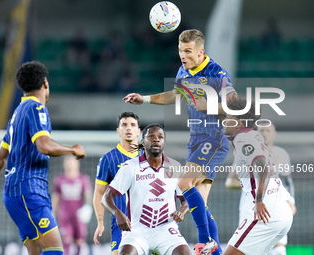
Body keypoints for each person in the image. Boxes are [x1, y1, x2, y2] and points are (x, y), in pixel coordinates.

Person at [123, 29, 237, 255]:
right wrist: (144, 99)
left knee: (183, 183)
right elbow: (175, 95)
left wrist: (210, 105)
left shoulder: (218, 74)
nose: (182, 55)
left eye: (188, 51)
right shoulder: (183, 71)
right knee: (200, 205)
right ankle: (214, 251)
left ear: (201, 51)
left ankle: (206, 242)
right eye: (180, 50)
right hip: (197, 140)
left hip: (213, 138)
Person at [0, 61, 86, 255]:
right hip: (29, 192)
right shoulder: (36, 109)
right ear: (45, 84)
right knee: (55, 251)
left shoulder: (16, 116)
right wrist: (72, 150)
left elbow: (0, 159)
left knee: (37, 252)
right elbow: (44, 146)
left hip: (14, 195)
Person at [101, 124, 192, 255]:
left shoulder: (174, 167)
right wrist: (118, 214)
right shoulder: (130, 167)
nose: (156, 140)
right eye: (151, 136)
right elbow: (106, 198)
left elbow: (188, 200)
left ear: (164, 142)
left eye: (160, 137)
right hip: (137, 230)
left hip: (166, 229)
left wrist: (182, 212)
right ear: (143, 142)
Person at [223, 97, 293, 255]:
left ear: (238, 122)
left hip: (266, 215)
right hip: (280, 212)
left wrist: (260, 200)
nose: (225, 121)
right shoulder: (253, 137)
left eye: (228, 117)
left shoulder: (243, 139)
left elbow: (264, 167)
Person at [93, 112, 141, 255]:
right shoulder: (108, 159)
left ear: (138, 131)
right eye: (124, 125)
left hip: (148, 223)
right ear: (118, 131)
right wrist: (100, 222)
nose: (128, 128)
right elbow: (99, 192)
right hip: (121, 225)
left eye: (133, 125)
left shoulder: (150, 157)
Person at [52, 155, 93, 255]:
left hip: (79, 216)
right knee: (66, 240)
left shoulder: (83, 179)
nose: (69, 164)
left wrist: (88, 207)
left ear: (77, 164)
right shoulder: (60, 180)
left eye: (72, 162)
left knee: (79, 241)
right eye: (67, 162)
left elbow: (88, 195)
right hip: (65, 216)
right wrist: (52, 213)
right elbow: (56, 198)